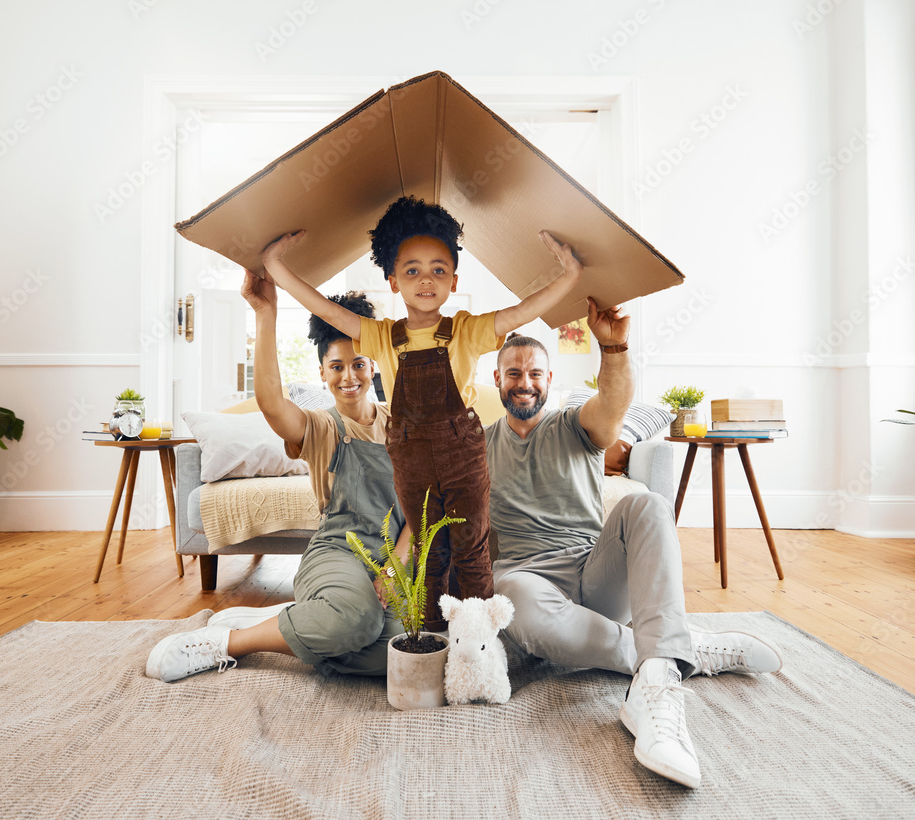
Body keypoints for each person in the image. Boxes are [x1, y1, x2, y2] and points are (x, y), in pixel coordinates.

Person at [484, 271, 783, 788]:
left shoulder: (575, 425)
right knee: (515, 605)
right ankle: (675, 650)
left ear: (549, 381)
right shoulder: (477, 445)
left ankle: (658, 687)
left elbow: (613, 406)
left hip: (592, 572)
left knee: (647, 504)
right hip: (525, 578)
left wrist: (614, 347)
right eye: (513, 373)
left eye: (535, 373)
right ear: (497, 381)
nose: (525, 382)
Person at [260, 196, 581, 631]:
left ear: (452, 280)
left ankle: (480, 641)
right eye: (412, 270)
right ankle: (431, 640)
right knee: (431, 553)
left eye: (438, 270)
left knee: (472, 548)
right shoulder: (379, 336)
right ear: (392, 280)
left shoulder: (466, 329)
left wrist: (570, 275)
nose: (425, 280)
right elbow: (322, 307)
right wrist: (275, 266)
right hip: (410, 459)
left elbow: (524, 311)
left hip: (462, 455)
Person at [146, 274, 411, 683]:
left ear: (373, 365)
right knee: (356, 623)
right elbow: (271, 401)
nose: (348, 377)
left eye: (358, 364)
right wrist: (264, 312)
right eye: (336, 367)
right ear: (322, 373)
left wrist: (393, 571)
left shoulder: (403, 426)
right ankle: (227, 642)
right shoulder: (322, 428)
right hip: (338, 555)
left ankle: (298, 618)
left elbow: (417, 511)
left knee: (402, 655)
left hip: (391, 559)